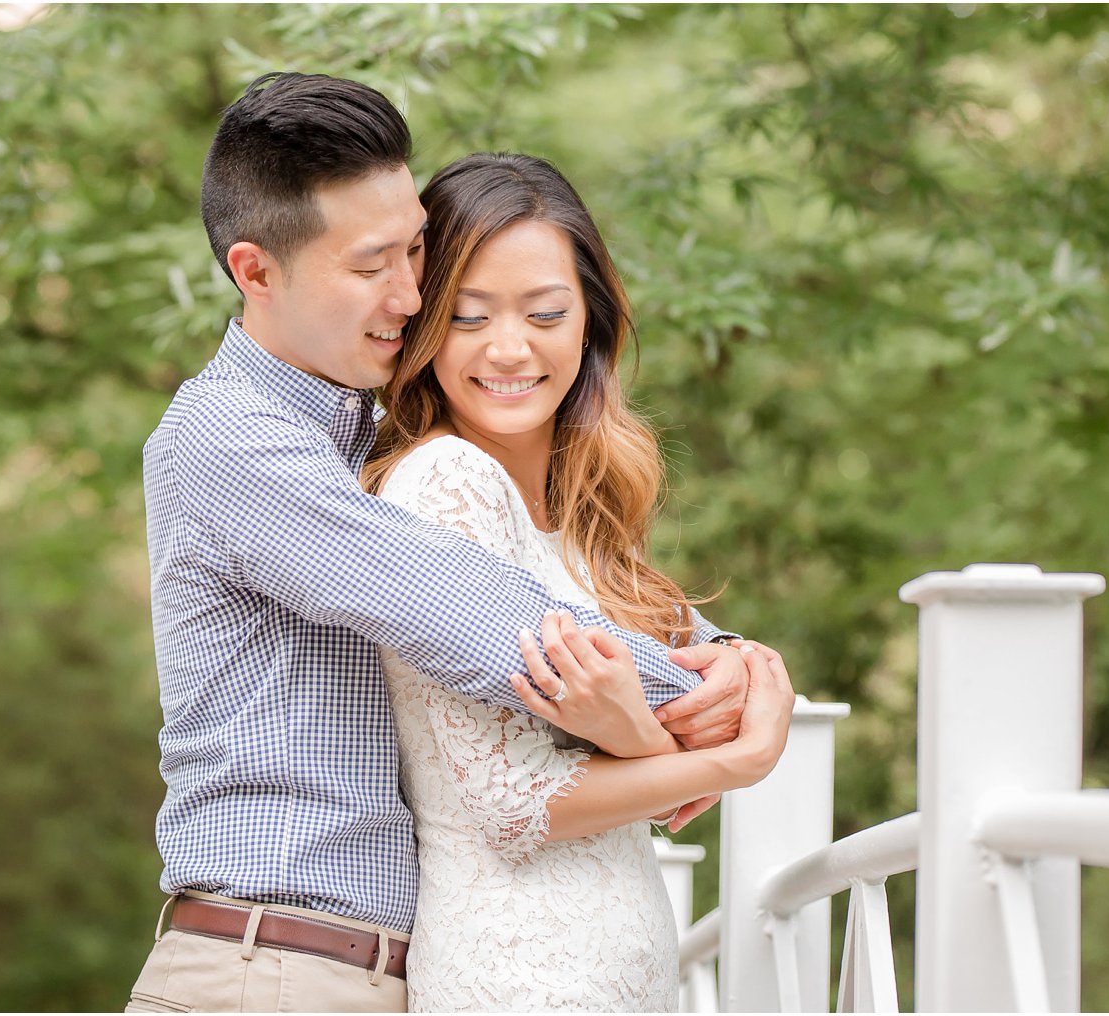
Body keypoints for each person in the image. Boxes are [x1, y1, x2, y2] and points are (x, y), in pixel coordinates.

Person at [126, 73, 759, 1014]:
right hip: (272, 971)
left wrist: (713, 656)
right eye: (371, 265)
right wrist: (713, 696)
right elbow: (476, 616)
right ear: (256, 271)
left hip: (358, 969)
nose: (413, 293)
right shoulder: (237, 444)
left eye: (417, 251)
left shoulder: (355, 436)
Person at [362, 152, 796, 1012]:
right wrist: (730, 760)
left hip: (619, 970)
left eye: (546, 313)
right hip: (518, 975)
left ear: (590, 321)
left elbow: (678, 680)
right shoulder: (446, 481)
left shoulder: (583, 523)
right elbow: (512, 807)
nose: (510, 349)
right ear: (421, 327)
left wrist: (743, 663)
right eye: (469, 315)